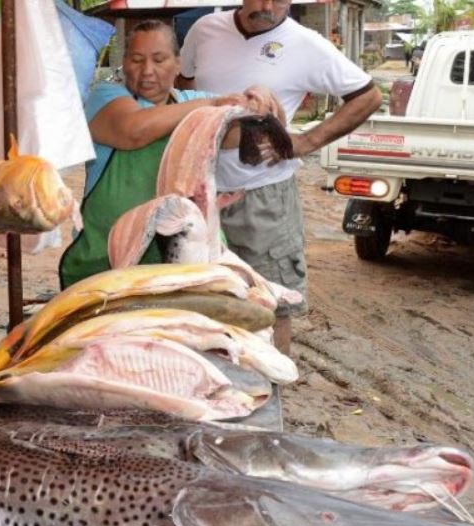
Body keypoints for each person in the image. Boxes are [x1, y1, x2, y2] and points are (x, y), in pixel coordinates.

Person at [178, 0, 382, 354]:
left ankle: (270, 397)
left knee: (271, 302)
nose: (267, 6)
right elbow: (183, 86)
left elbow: (367, 96)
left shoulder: (307, 44)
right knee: (203, 298)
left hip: (263, 198)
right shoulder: (204, 30)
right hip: (199, 191)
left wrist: (307, 141)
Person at [58, 20, 276, 288]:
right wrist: (210, 105)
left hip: (185, 257)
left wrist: (261, 98)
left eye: (159, 60)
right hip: (105, 262)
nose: (147, 71)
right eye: (137, 60)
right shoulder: (105, 96)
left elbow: (251, 135)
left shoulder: (193, 101)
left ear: (177, 64)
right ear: (124, 63)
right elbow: (133, 130)